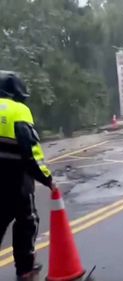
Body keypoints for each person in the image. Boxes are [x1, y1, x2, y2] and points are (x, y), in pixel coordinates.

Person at [0, 71, 55, 280]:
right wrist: (47, 179)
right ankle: (25, 270)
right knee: (26, 221)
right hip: (15, 180)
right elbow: (30, 151)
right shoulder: (18, 110)